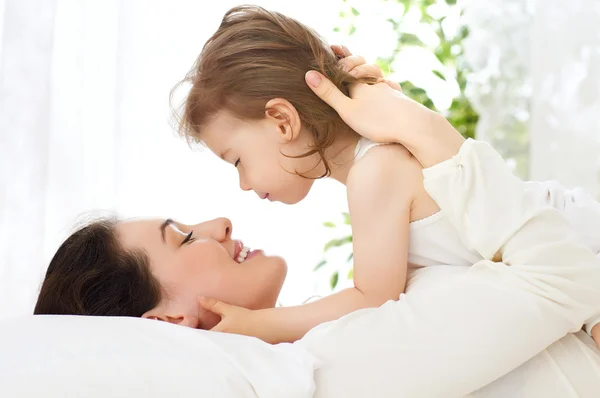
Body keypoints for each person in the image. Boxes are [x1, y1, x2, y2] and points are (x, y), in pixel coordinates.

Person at [173, 5, 600, 344]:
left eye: (236, 160)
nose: (244, 184)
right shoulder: (378, 155)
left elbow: (372, 297)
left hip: (575, 239)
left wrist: (263, 323)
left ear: (283, 121)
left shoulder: (374, 172)